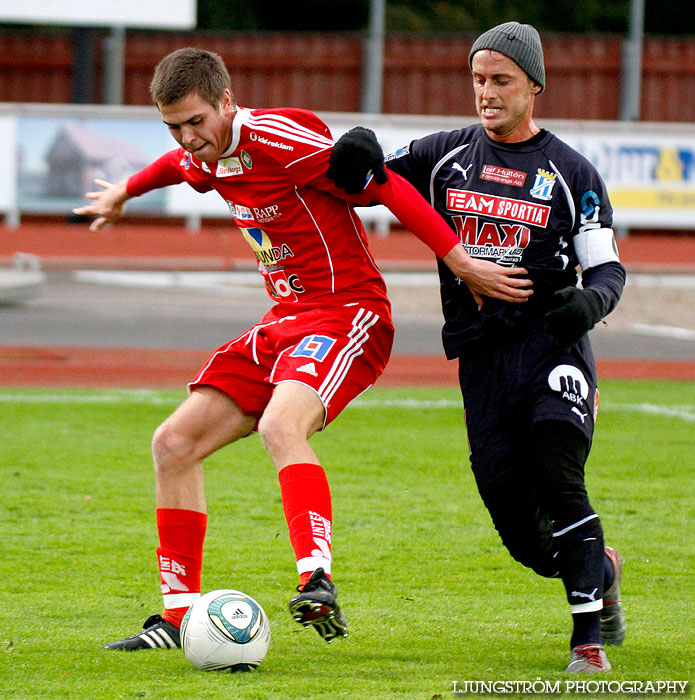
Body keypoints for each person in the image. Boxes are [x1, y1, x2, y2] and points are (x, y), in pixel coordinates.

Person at [73, 47, 533, 651]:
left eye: (194, 122)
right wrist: (125, 192)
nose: (187, 138)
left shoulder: (279, 142)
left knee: (280, 425)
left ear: (226, 103)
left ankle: (317, 581)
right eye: (174, 127)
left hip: (348, 313)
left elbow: (387, 187)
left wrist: (463, 265)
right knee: (173, 443)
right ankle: (178, 616)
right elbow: (175, 167)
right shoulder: (207, 156)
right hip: (284, 320)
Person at [327, 22, 626, 673]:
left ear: (533, 86)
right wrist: (353, 152)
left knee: (558, 478)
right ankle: (599, 569)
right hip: (481, 363)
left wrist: (590, 302)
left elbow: (606, 271)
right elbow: (365, 179)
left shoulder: (571, 172)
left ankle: (586, 642)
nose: (486, 93)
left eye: (501, 81)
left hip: (553, 352)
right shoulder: (443, 154)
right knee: (523, 538)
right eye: (478, 80)